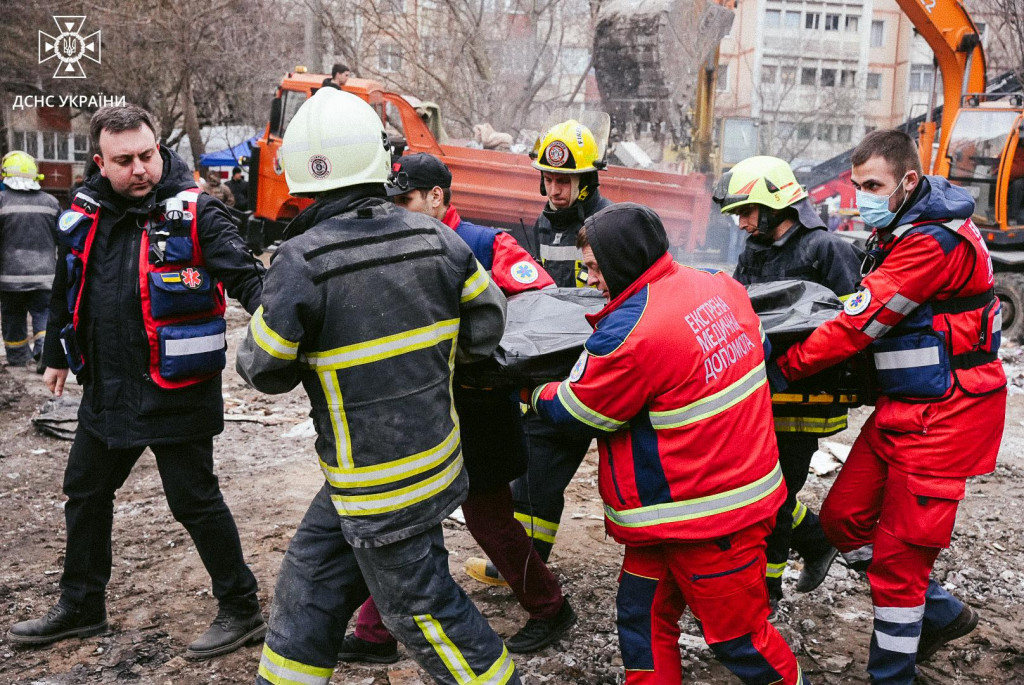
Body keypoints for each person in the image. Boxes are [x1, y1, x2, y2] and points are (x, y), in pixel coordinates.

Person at [237, 89, 519, 685]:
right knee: (309, 585)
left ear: (302, 173)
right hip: (425, 465)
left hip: (375, 486)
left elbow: (263, 368)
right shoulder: (440, 240)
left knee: (423, 613)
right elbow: (486, 330)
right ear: (378, 164)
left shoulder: (302, 260)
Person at [5, 104, 266, 659]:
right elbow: (64, 285)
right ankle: (82, 607)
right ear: (101, 162)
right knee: (86, 492)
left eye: (147, 155)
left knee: (193, 501)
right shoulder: (82, 212)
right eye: (124, 161)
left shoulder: (198, 213)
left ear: (158, 149)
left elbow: (251, 282)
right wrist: (54, 354)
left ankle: (241, 607)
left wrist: (286, 339)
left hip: (176, 390)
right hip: (108, 388)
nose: (140, 169)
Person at [528, 202, 806, 684]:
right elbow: (756, 348)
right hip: (703, 508)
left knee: (740, 641)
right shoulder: (719, 286)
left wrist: (533, 392)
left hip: (706, 520)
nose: (591, 280)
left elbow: (579, 411)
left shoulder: (634, 331)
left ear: (622, 260)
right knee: (641, 617)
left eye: (595, 267)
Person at [767, 129, 1006, 683]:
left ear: (909, 182)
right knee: (844, 520)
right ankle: (941, 613)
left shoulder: (931, 243)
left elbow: (859, 323)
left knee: (899, 567)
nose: (861, 196)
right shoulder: (908, 226)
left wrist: (777, 371)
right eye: (856, 185)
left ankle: (891, 673)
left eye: (872, 185)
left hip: (948, 417)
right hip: (909, 408)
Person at [337, 153, 570, 664]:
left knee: (488, 520)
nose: (397, 209)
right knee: (406, 516)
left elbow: (542, 309)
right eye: (392, 200)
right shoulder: (396, 248)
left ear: (438, 197)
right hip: (422, 409)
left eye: (407, 200)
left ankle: (550, 607)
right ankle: (376, 634)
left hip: (481, 411)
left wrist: (490, 365)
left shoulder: (490, 245)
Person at [713, 155, 862, 616]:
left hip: (807, 398)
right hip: (764, 392)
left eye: (746, 212)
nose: (740, 224)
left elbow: (853, 327)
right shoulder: (756, 250)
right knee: (767, 491)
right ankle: (816, 542)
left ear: (776, 204)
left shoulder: (826, 250)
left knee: (772, 496)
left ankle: (767, 595)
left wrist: (794, 366)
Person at [468, 119, 613, 585]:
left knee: (541, 471)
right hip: (552, 366)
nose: (555, 189)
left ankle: (527, 572)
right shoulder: (544, 225)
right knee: (535, 472)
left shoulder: (608, 227)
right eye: (549, 179)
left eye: (565, 181)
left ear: (587, 182)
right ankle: (525, 567)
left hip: (592, 366)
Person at [0, 151, 60, 372]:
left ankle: (17, 361)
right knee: (43, 314)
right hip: (45, 276)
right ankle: (44, 350)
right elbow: (62, 239)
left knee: (13, 317)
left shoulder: (2, 202)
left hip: (9, 279)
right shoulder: (51, 203)